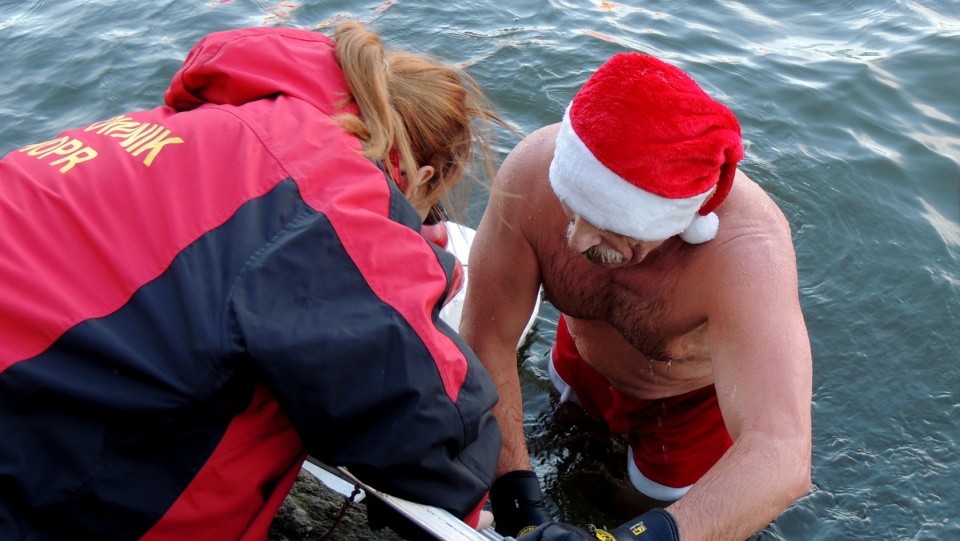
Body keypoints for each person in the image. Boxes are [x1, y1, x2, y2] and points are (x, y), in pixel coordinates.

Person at [0, 23, 506, 540]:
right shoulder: (321, 184)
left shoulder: (205, 123)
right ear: (419, 178)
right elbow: (420, 414)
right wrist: (473, 500)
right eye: (429, 208)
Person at [461, 52, 812, 541]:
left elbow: (781, 453)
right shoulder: (530, 177)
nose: (578, 241)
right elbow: (486, 339)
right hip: (582, 357)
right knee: (560, 439)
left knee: (627, 505)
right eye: (570, 207)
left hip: (684, 404)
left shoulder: (746, 255)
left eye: (607, 227)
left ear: (673, 222)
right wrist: (518, 506)